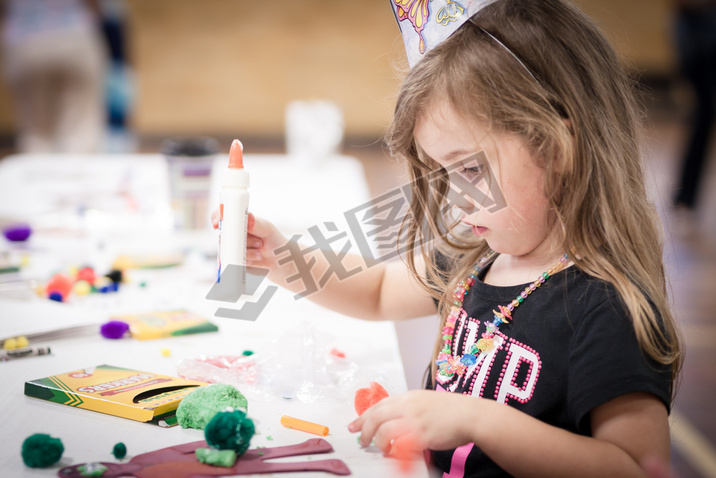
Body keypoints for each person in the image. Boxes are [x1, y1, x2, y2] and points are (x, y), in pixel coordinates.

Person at [213, 0, 683, 475]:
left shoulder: (608, 307)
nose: (455, 198)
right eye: (443, 172)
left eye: (472, 167)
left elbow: (636, 468)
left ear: (557, 147)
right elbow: (378, 292)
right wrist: (281, 257)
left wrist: (479, 420)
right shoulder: (478, 257)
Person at [0, 0, 107, 153]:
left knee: (36, 136)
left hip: (23, 40)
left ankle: (37, 171)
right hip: (75, 34)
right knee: (80, 135)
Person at [672, 0, 716, 210]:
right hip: (698, 40)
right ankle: (684, 197)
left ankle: (685, 197)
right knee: (704, 115)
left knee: (704, 115)